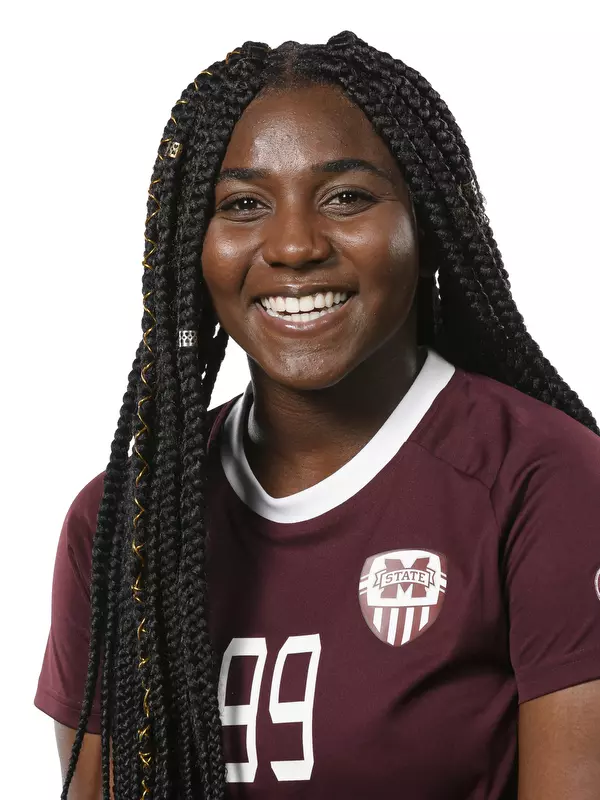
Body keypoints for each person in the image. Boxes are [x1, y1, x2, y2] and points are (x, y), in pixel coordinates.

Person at [35, 31, 600, 800]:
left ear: (425, 224)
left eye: (346, 197)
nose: (295, 245)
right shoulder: (119, 525)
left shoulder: (546, 482)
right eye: (243, 205)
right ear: (190, 251)